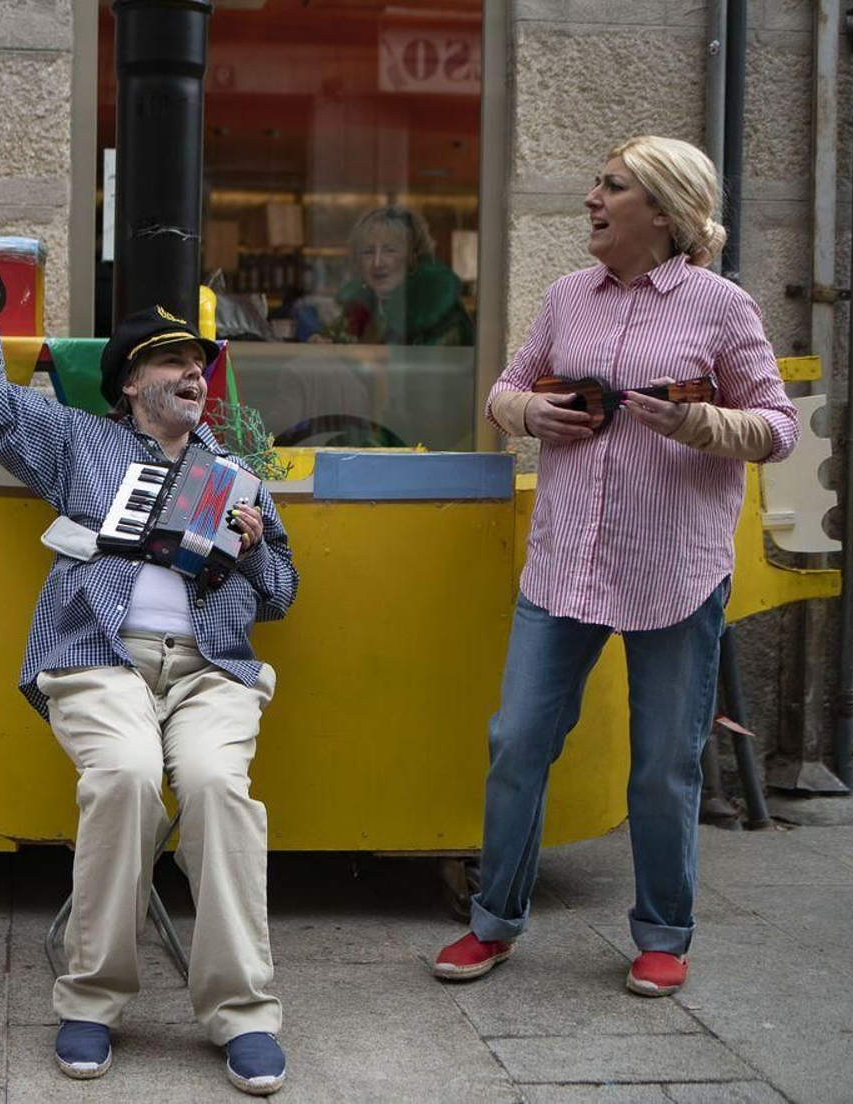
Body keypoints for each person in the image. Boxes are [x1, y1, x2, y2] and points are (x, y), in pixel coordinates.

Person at [0, 196, 299, 1094]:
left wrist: (256, 552)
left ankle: (242, 1013)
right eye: (174, 362)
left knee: (217, 786)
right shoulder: (80, 445)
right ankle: (92, 1002)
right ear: (132, 382)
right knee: (129, 776)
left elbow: (286, 595)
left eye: (199, 363)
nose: (194, 374)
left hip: (209, 669)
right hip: (99, 656)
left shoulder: (235, 475)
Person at [432, 136, 798, 998]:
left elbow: (777, 426)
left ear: (663, 212)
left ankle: (664, 933)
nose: (591, 198)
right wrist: (532, 413)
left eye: (612, 186)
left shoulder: (722, 308)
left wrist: (699, 427)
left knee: (663, 762)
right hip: (564, 565)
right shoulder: (567, 298)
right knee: (517, 741)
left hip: (673, 567)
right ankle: (494, 921)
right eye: (596, 181)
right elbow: (504, 389)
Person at [305, 206, 473, 346]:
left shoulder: (438, 314)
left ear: (412, 257)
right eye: (368, 252)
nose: (377, 262)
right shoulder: (360, 307)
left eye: (389, 250)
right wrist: (322, 346)